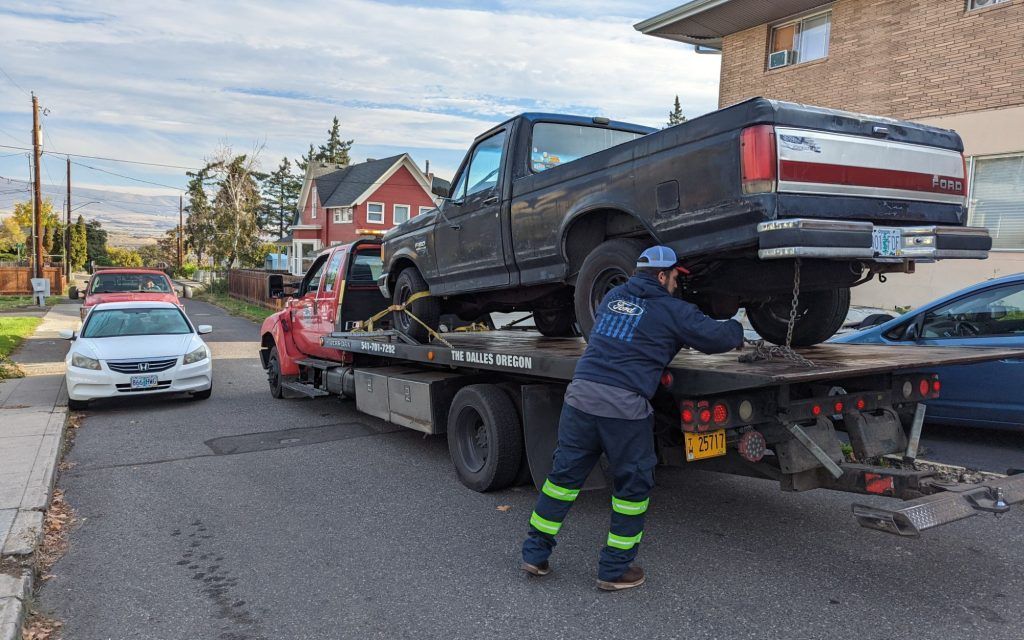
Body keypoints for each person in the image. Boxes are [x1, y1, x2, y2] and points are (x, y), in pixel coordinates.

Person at [520, 245, 744, 591]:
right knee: (632, 487)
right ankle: (613, 570)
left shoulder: (613, 298)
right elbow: (715, 339)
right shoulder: (672, 310)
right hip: (622, 409)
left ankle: (534, 554)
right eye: (674, 277)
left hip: (580, 398)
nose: (676, 283)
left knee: (563, 480)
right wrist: (736, 325)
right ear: (661, 275)